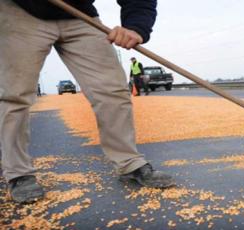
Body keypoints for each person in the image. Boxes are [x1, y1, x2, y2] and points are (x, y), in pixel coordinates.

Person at [0, 0, 174, 204]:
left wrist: (136, 26)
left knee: (113, 89)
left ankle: (129, 162)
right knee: (15, 94)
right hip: (22, 10)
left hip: (79, 12)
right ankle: (18, 174)